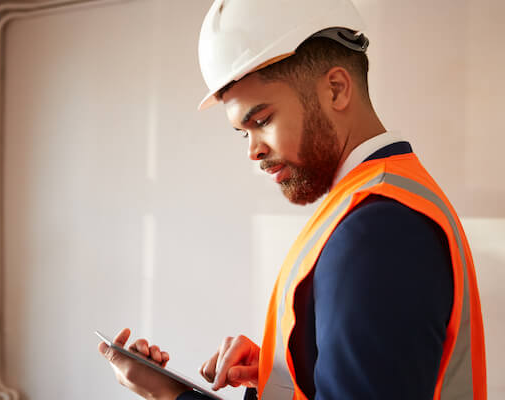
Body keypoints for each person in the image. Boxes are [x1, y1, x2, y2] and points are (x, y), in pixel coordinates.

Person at [97, 0, 488, 399]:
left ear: (336, 89)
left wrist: (170, 395)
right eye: (243, 132)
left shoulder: (378, 230)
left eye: (261, 120)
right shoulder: (378, 202)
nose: (253, 151)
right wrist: (291, 365)